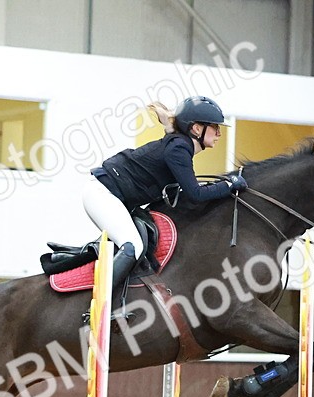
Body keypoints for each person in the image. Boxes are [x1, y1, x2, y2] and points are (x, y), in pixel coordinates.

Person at [84, 95, 247, 298]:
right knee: (133, 247)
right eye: (215, 127)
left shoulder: (180, 145)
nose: (219, 133)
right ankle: (98, 303)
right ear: (197, 129)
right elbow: (195, 194)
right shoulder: (179, 149)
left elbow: (186, 191)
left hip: (111, 196)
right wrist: (229, 185)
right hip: (102, 194)